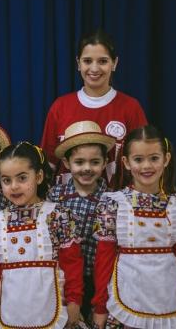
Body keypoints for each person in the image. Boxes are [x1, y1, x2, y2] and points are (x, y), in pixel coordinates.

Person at [91, 125, 176, 329]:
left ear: (166, 159)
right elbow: (104, 258)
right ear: (126, 162)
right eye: (138, 159)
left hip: (170, 299)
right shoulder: (114, 204)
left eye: (154, 158)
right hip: (127, 296)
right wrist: (100, 305)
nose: (146, 166)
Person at [0, 142, 84, 328]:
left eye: (22, 178)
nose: (14, 186)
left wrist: (74, 302)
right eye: (6, 180)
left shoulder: (59, 216)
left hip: (55, 311)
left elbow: (72, 264)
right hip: (9, 314)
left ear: (38, 176)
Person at [40, 29, 147, 187]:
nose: (94, 68)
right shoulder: (60, 107)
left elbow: (143, 159)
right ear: (78, 63)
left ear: (114, 63)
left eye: (102, 61)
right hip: (67, 205)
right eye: (87, 61)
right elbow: (48, 163)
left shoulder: (130, 108)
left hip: (117, 206)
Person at [48, 121, 115, 323]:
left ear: (104, 163)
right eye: (79, 162)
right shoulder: (55, 196)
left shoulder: (111, 199)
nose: (87, 168)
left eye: (94, 162)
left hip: (99, 280)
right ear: (67, 163)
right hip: (63, 280)